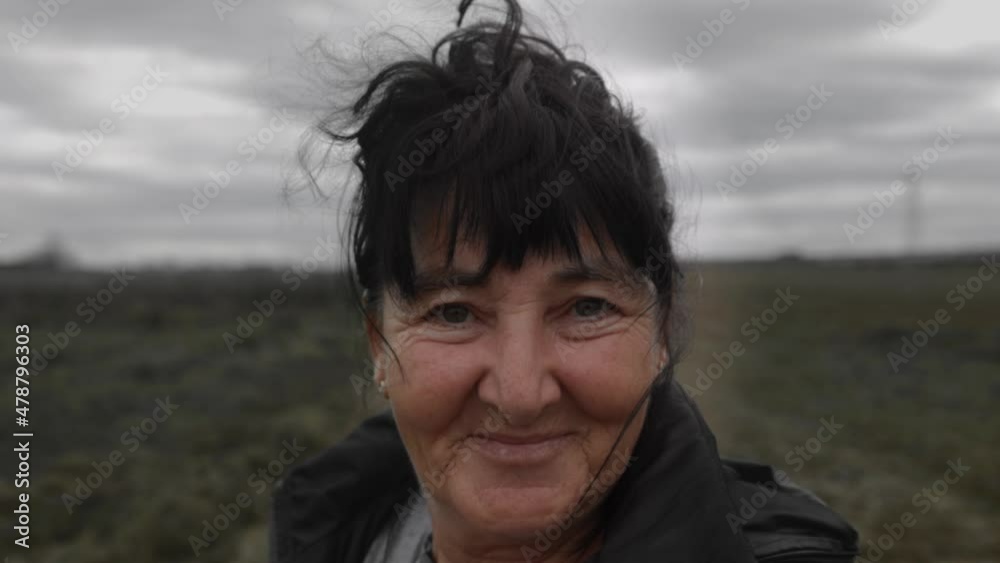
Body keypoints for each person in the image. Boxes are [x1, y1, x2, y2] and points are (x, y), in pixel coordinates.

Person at [270, 0, 859, 561]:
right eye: (453, 312)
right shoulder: (333, 534)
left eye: (586, 308)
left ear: (662, 330)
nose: (521, 396)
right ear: (379, 342)